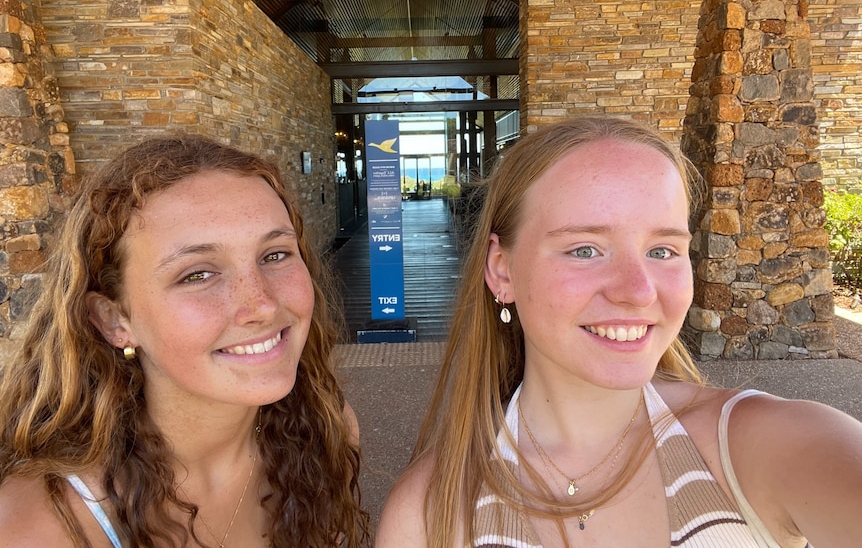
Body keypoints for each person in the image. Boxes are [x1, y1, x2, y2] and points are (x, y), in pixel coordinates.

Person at [375, 115, 862, 547]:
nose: (637, 290)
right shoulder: (426, 514)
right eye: (585, 249)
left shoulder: (769, 445)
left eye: (662, 250)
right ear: (502, 270)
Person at [0, 136, 371, 547]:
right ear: (114, 320)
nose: (262, 305)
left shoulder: (325, 429)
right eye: (197, 274)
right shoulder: (45, 525)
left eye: (275, 255)